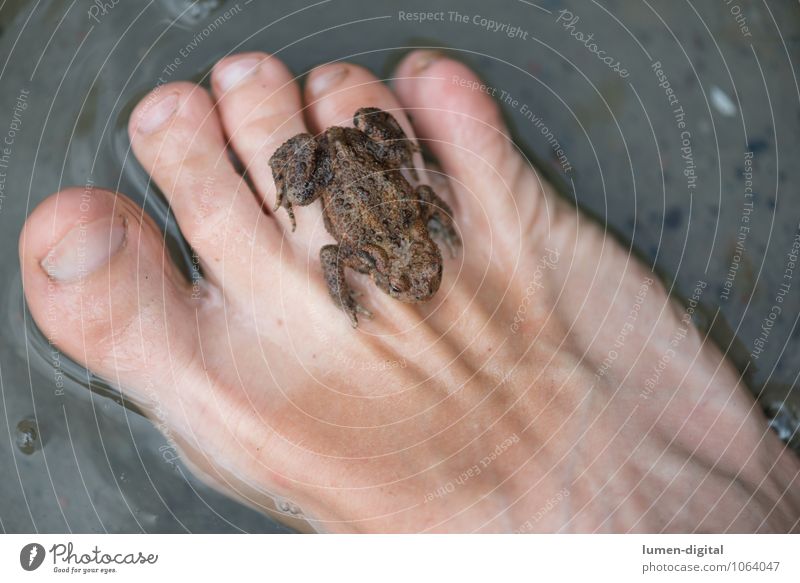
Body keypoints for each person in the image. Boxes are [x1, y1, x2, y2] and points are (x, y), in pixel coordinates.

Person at [19, 50, 800, 533]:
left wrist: (383, 273)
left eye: (415, 273)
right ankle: (757, 515)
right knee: (331, 161)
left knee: (382, 164)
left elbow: (354, 251)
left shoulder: (375, 247)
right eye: (405, 278)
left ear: (417, 251)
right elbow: (358, 248)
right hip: (343, 173)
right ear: (390, 262)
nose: (415, 285)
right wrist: (346, 245)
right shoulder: (367, 246)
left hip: (368, 185)